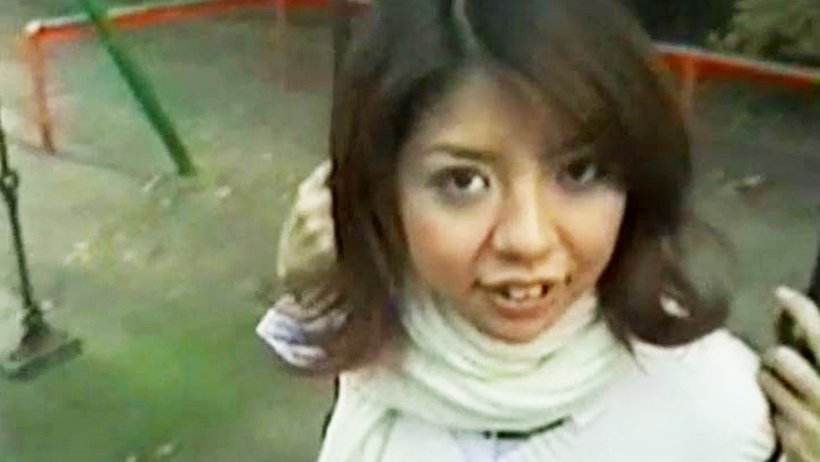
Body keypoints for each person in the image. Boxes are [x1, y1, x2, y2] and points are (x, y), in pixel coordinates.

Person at [256, 0, 820, 460]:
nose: (527, 240)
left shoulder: (715, 412)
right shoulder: (390, 333)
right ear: (383, 191)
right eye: (463, 181)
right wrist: (305, 281)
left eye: (579, 172)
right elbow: (314, 345)